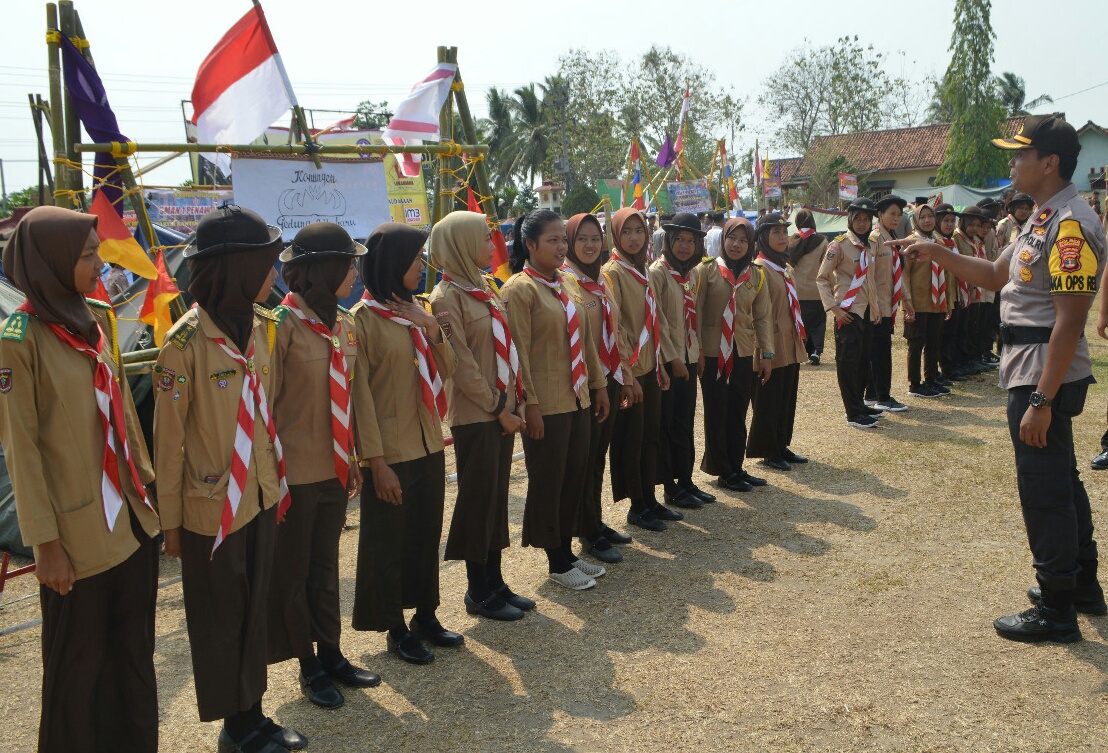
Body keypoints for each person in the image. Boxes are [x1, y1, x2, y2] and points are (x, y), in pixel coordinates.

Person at [898, 113, 1107, 642]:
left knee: (1044, 490)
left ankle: (1057, 608)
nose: (1012, 163)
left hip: (1043, 371)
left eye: (1020, 155)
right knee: (1061, 479)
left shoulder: (1070, 226)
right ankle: (1081, 585)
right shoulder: (1042, 217)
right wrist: (938, 251)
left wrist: (1041, 399)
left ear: (1049, 162)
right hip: (1030, 365)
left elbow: (1070, 321)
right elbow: (994, 275)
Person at [0, 207, 160, 753]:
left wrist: (147, 492)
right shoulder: (18, 339)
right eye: (89, 255)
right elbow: (22, 452)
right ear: (51, 260)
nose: (100, 265)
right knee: (77, 672)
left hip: (130, 523)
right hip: (76, 540)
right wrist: (45, 544)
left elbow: (121, 415)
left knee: (132, 659)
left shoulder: (92, 317)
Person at [155, 204, 306, 753]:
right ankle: (235, 727)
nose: (274, 273)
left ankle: (255, 712)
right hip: (211, 507)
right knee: (221, 617)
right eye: (264, 264)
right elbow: (168, 444)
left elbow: (266, 413)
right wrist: (171, 523)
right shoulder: (184, 344)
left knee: (254, 607)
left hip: (259, 493)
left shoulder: (262, 327)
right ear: (237, 268)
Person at [267, 222, 378, 711]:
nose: (354, 274)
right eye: (348, 265)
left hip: (334, 469)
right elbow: (265, 407)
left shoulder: (344, 324)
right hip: (293, 474)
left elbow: (350, 396)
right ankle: (307, 663)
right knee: (293, 574)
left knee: (326, 566)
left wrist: (353, 456)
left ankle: (331, 652)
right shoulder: (278, 327)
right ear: (324, 270)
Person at [351, 222, 461, 665]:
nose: (422, 266)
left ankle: (425, 615)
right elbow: (360, 400)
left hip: (428, 440)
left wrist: (432, 328)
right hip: (390, 451)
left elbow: (447, 369)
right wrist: (375, 463)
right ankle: (394, 627)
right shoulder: (362, 321)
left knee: (424, 534)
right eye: (415, 259)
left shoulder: (418, 309)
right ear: (392, 263)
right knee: (388, 542)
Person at [427, 211, 532, 620]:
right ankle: (477, 590)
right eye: (485, 239)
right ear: (462, 243)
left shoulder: (486, 287)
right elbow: (462, 364)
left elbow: (510, 345)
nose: (493, 246)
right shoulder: (445, 298)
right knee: (477, 500)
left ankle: (496, 581)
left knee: (495, 499)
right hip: (476, 414)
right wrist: (497, 407)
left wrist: (517, 400)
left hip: (501, 408)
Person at [502, 209, 610, 590]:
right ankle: (555, 561)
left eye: (563, 240)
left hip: (577, 397)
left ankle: (566, 551)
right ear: (530, 245)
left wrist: (598, 385)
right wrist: (529, 403)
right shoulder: (519, 290)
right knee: (549, 480)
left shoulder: (566, 281)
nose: (562, 247)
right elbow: (518, 354)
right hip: (546, 404)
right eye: (553, 240)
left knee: (574, 476)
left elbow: (586, 339)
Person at [562, 213, 635, 564]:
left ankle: (595, 522)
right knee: (585, 459)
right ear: (569, 243)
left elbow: (615, 330)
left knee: (597, 458)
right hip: (585, 383)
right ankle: (588, 531)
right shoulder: (566, 282)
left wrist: (625, 376)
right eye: (582, 239)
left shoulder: (600, 279)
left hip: (610, 377)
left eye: (595, 238)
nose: (590, 245)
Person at [602, 208, 677, 531]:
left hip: (649, 367)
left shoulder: (642, 268)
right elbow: (614, 327)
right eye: (627, 232)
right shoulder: (612, 272)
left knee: (650, 436)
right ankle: (636, 505)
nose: (634, 238)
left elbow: (654, 319)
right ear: (615, 235)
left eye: (640, 231)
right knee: (631, 440)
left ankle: (650, 498)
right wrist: (627, 375)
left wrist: (660, 364)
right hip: (629, 371)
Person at [697, 216, 774, 490]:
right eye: (731, 238)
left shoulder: (756, 274)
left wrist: (767, 355)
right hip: (712, 352)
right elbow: (695, 313)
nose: (736, 245)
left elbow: (763, 317)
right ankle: (723, 470)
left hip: (741, 351)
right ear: (723, 239)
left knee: (738, 410)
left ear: (751, 244)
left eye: (743, 240)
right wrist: (697, 352)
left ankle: (736, 466)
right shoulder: (706, 271)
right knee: (717, 411)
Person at [652, 212, 714, 509]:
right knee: (666, 424)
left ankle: (686, 480)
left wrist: (697, 351)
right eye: (680, 240)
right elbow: (658, 321)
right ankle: (669, 486)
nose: (685, 246)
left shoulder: (691, 274)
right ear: (668, 241)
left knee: (685, 421)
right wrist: (674, 358)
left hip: (688, 356)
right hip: (668, 361)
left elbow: (693, 317)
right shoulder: (658, 272)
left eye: (691, 241)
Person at [747, 213, 808, 469]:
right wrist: (763, 351)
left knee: (787, 397)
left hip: (790, 341)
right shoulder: (758, 269)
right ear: (762, 237)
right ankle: (768, 450)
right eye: (776, 233)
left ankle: (781, 444)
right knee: (768, 400)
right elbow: (755, 314)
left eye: (785, 232)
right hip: (770, 344)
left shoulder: (784, 266)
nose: (783, 238)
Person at [816, 197, 884, 429]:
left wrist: (876, 309)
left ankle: (860, 404)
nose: (862, 223)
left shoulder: (871, 245)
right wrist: (834, 309)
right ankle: (852, 412)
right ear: (850, 219)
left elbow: (871, 280)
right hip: (848, 311)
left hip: (867, 311)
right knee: (848, 363)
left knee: (864, 361)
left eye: (866, 219)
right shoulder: (838, 245)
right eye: (858, 219)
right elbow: (821, 278)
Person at [864, 195, 913, 413]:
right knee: (881, 353)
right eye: (892, 214)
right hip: (878, 306)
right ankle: (883, 397)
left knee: (878, 351)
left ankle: (872, 394)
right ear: (880, 215)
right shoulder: (875, 239)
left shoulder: (892, 238)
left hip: (887, 305)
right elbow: (869, 277)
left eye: (899, 215)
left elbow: (897, 275)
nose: (896, 218)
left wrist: (907, 300)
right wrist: (874, 307)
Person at [901, 203, 952, 398]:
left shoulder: (938, 242)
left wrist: (948, 302)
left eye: (930, 216)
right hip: (917, 302)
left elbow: (947, 273)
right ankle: (915, 384)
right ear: (915, 220)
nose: (927, 220)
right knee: (916, 343)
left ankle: (931, 379)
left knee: (933, 342)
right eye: (922, 217)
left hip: (937, 301)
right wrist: (907, 303)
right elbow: (904, 275)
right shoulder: (910, 242)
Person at [788, 208, 828, 365]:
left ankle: (802, 350)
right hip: (817, 291)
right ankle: (816, 351)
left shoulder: (791, 241)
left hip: (797, 291)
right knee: (818, 323)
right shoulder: (822, 241)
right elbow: (826, 267)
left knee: (801, 322)